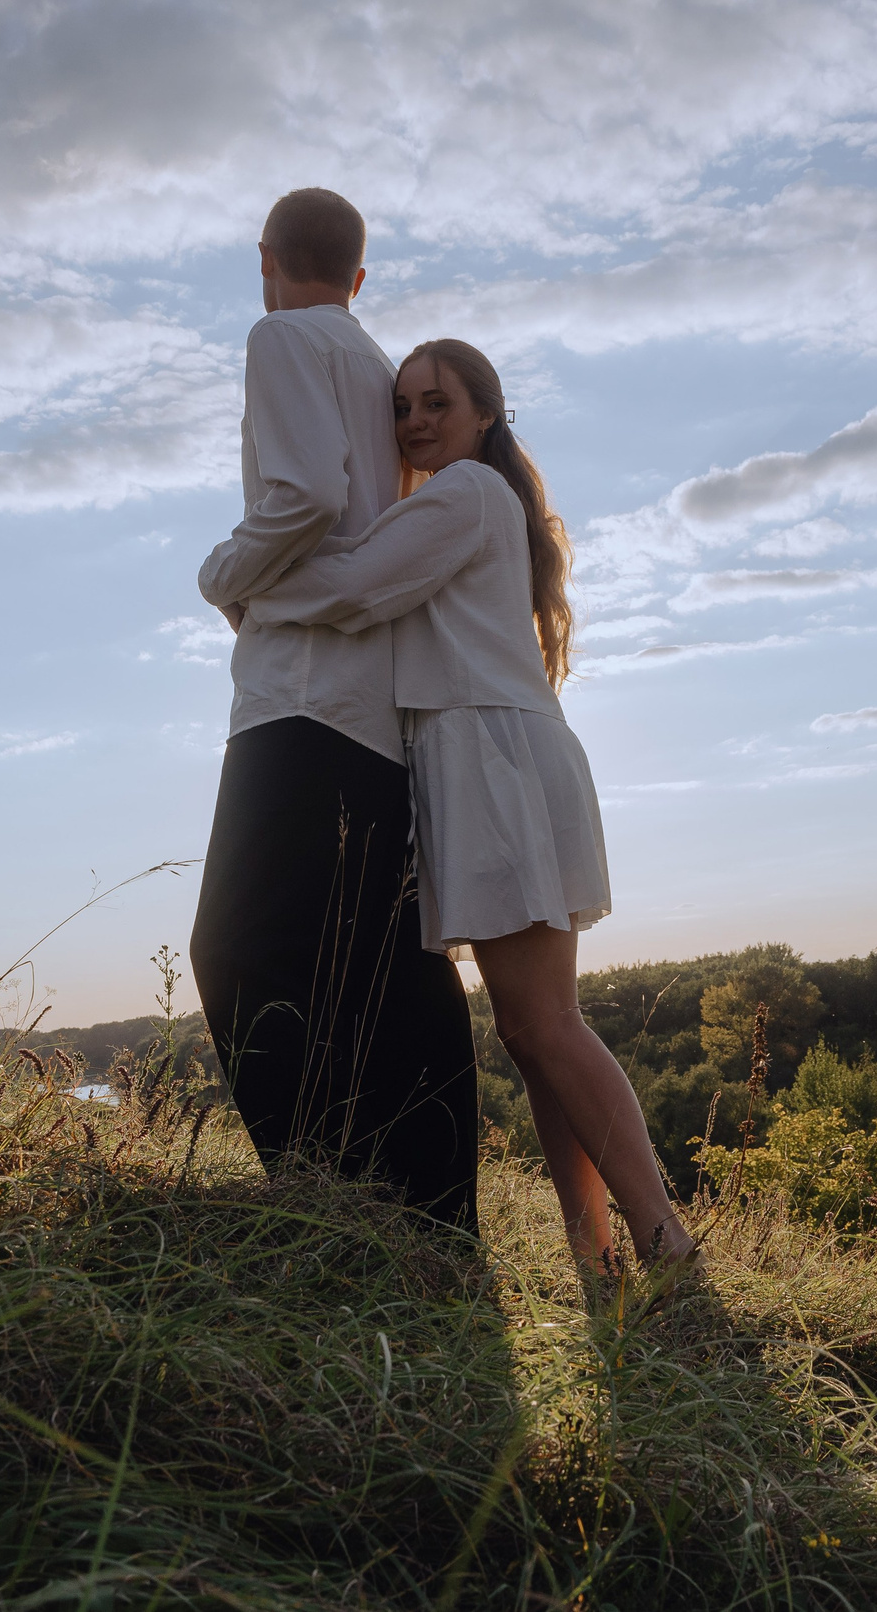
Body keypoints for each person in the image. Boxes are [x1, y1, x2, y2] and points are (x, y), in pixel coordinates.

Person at [243, 339, 699, 1271]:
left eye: (435, 404)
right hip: (483, 756)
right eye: (402, 407)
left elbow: (356, 587)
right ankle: (596, 1256)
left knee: (545, 1024)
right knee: (532, 1035)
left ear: (484, 414)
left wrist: (241, 586)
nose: (413, 421)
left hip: (489, 758)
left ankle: (666, 1244)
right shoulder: (463, 498)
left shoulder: (463, 493)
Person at [192, 190, 479, 1233]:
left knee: (239, 951)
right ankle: (437, 1219)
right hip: (381, 707)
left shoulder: (281, 337)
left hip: (299, 695)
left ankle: (326, 1202)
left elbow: (305, 493)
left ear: (264, 258)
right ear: (360, 275)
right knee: (386, 965)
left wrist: (223, 570)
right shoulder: (380, 368)